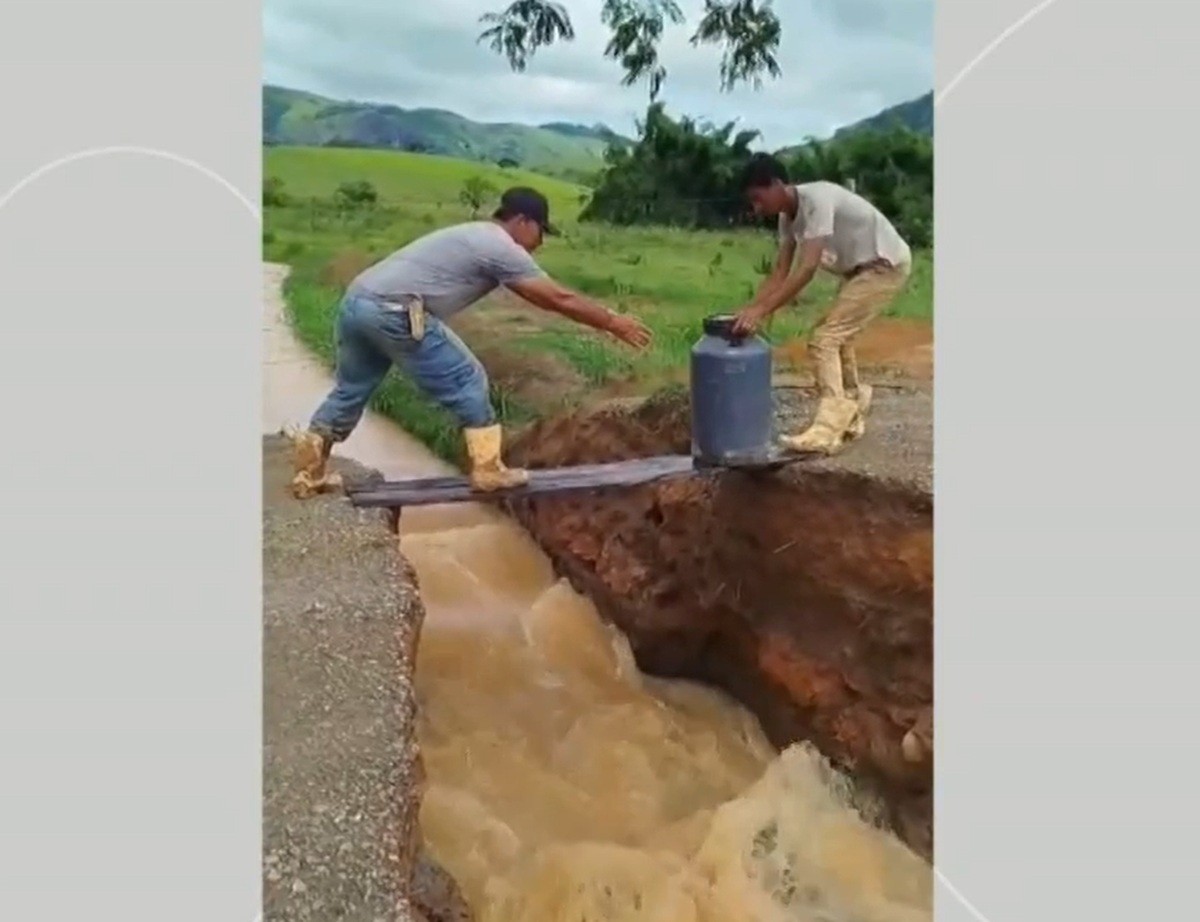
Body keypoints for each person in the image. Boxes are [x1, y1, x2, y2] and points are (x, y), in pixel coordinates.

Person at [290, 186, 653, 499]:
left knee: (351, 388)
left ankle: (310, 472)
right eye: (541, 232)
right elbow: (557, 298)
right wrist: (611, 322)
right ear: (523, 222)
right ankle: (488, 470)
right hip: (394, 310)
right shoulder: (499, 245)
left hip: (357, 302)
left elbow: (538, 298)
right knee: (467, 379)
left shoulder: (473, 233)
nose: (540, 243)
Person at [732, 153, 912, 455]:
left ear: (777, 184)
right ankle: (852, 405)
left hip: (884, 265)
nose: (756, 208)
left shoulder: (818, 199)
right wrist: (751, 310)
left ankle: (827, 430)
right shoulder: (786, 219)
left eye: (758, 198)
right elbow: (780, 272)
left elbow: (806, 269)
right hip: (859, 271)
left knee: (824, 340)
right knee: (837, 337)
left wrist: (762, 311)